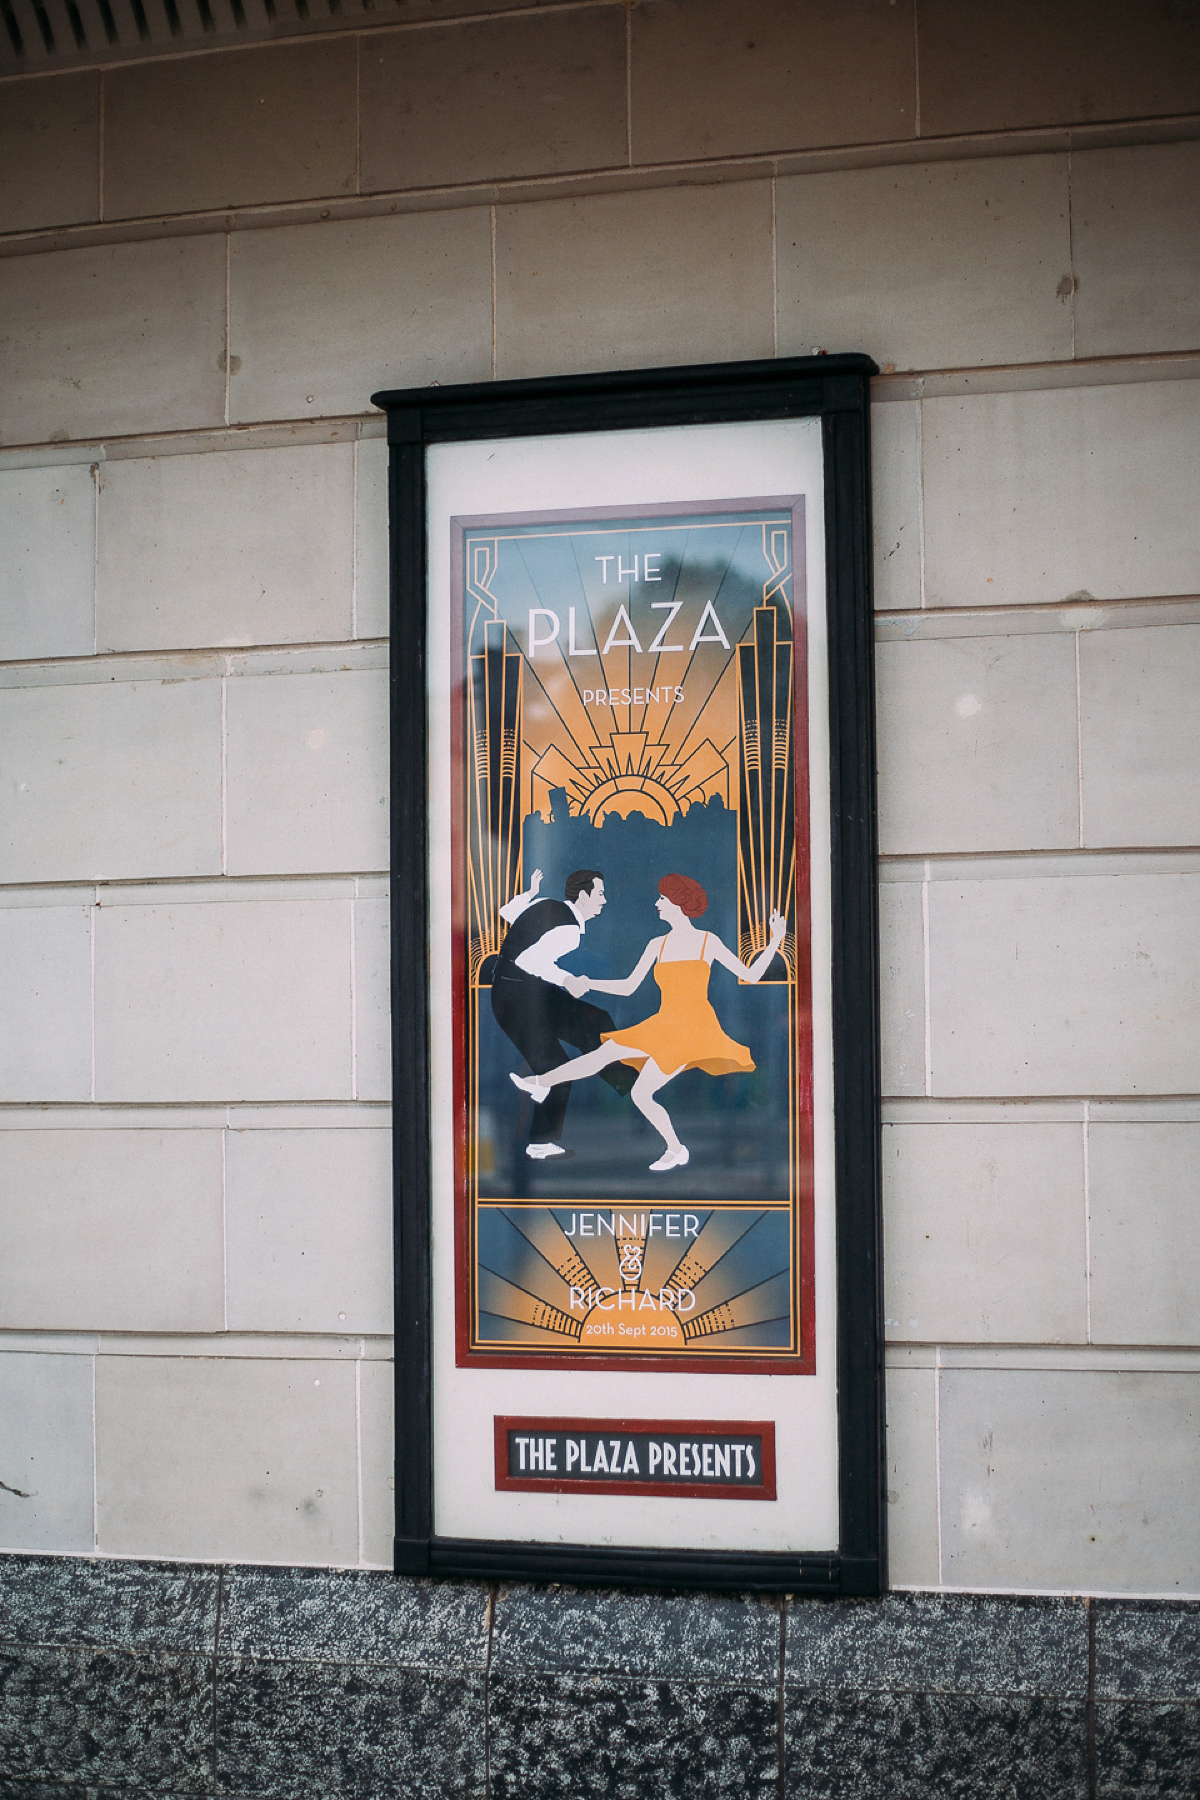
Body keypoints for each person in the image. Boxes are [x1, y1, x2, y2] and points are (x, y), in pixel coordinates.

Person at [512, 873, 786, 1171]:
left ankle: (675, 1148)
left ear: (678, 903)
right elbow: (629, 986)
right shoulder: (658, 945)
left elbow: (751, 975)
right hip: (664, 1025)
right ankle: (541, 1084)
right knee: (607, 1055)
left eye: (663, 899)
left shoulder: (708, 942)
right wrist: (589, 983)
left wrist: (774, 941)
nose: (657, 903)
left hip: (692, 1030)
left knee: (641, 1093)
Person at [492, 867, 635, 1160]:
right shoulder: (569, 931)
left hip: (525, 994)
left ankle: (630, 1084)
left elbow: (509, 913)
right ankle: (541, 1142)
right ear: (583, 895)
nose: (604, 901)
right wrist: (567, 979)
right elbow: (529, 959)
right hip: (518, 1000)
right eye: (600, 894)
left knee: (594, 1022)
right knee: (557, 1067)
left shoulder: (547, 906)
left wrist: (530, 893)